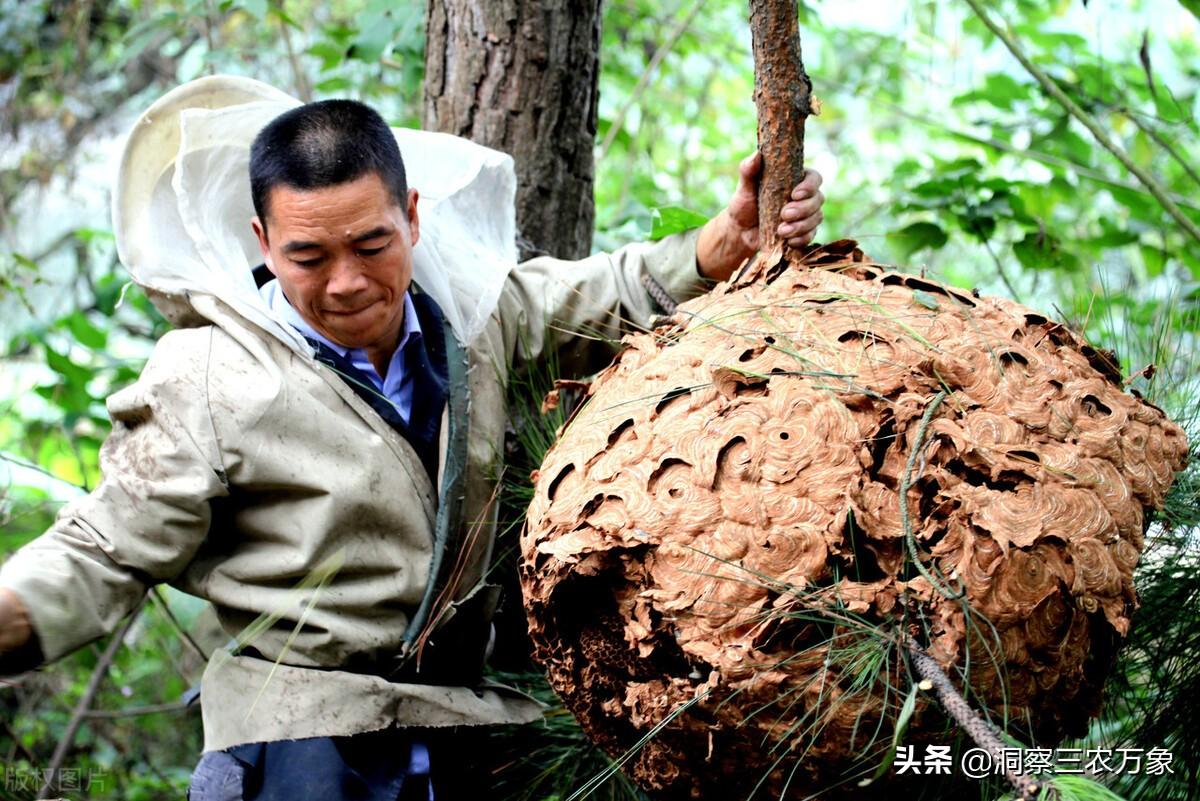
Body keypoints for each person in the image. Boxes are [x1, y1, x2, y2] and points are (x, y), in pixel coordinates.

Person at [0, 76, 825, 799]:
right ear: (261, 244)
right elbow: (106, 547)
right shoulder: (208, 374)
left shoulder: (472, 316)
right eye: (308, 257)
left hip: (475, 723)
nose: (348, 281)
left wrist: (728, 239)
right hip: (299, 739)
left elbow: (611, 292)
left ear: (413, 216)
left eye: (371, 243)